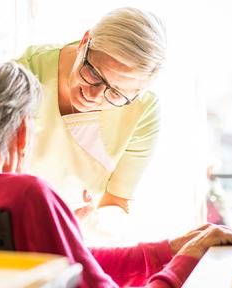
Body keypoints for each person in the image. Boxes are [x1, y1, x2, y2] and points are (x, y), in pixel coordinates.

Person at [0, 61, 232, 287]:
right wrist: (186, 263)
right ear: (22, 130)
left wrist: (167, 251)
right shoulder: (28, 194)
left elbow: (77, 263)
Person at [16, 7, 166, 216]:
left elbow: (117, 202)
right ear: (85, 41)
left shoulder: (141, 111)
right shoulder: (24, 74)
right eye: (94, 74)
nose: (94, 95)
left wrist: (92, 223)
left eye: (115, 93)